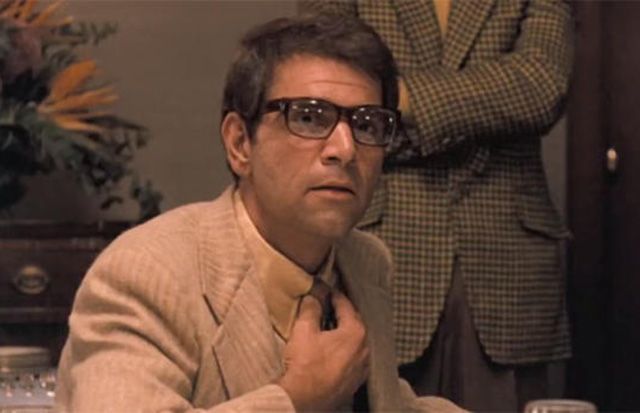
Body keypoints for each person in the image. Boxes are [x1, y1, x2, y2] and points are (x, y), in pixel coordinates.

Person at [54, 13, 465, 413]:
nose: (345, 149)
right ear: (240, 144)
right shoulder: (146, 272)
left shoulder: (365, 260)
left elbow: (390, 403)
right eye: (309, 117)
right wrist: (295, 400)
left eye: (368, 124)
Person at [299, 1, 574, 411]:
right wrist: (484, 123)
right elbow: (327, 92)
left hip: (506, 263)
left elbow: (541, 86)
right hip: (379, 247)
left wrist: (399, 102)